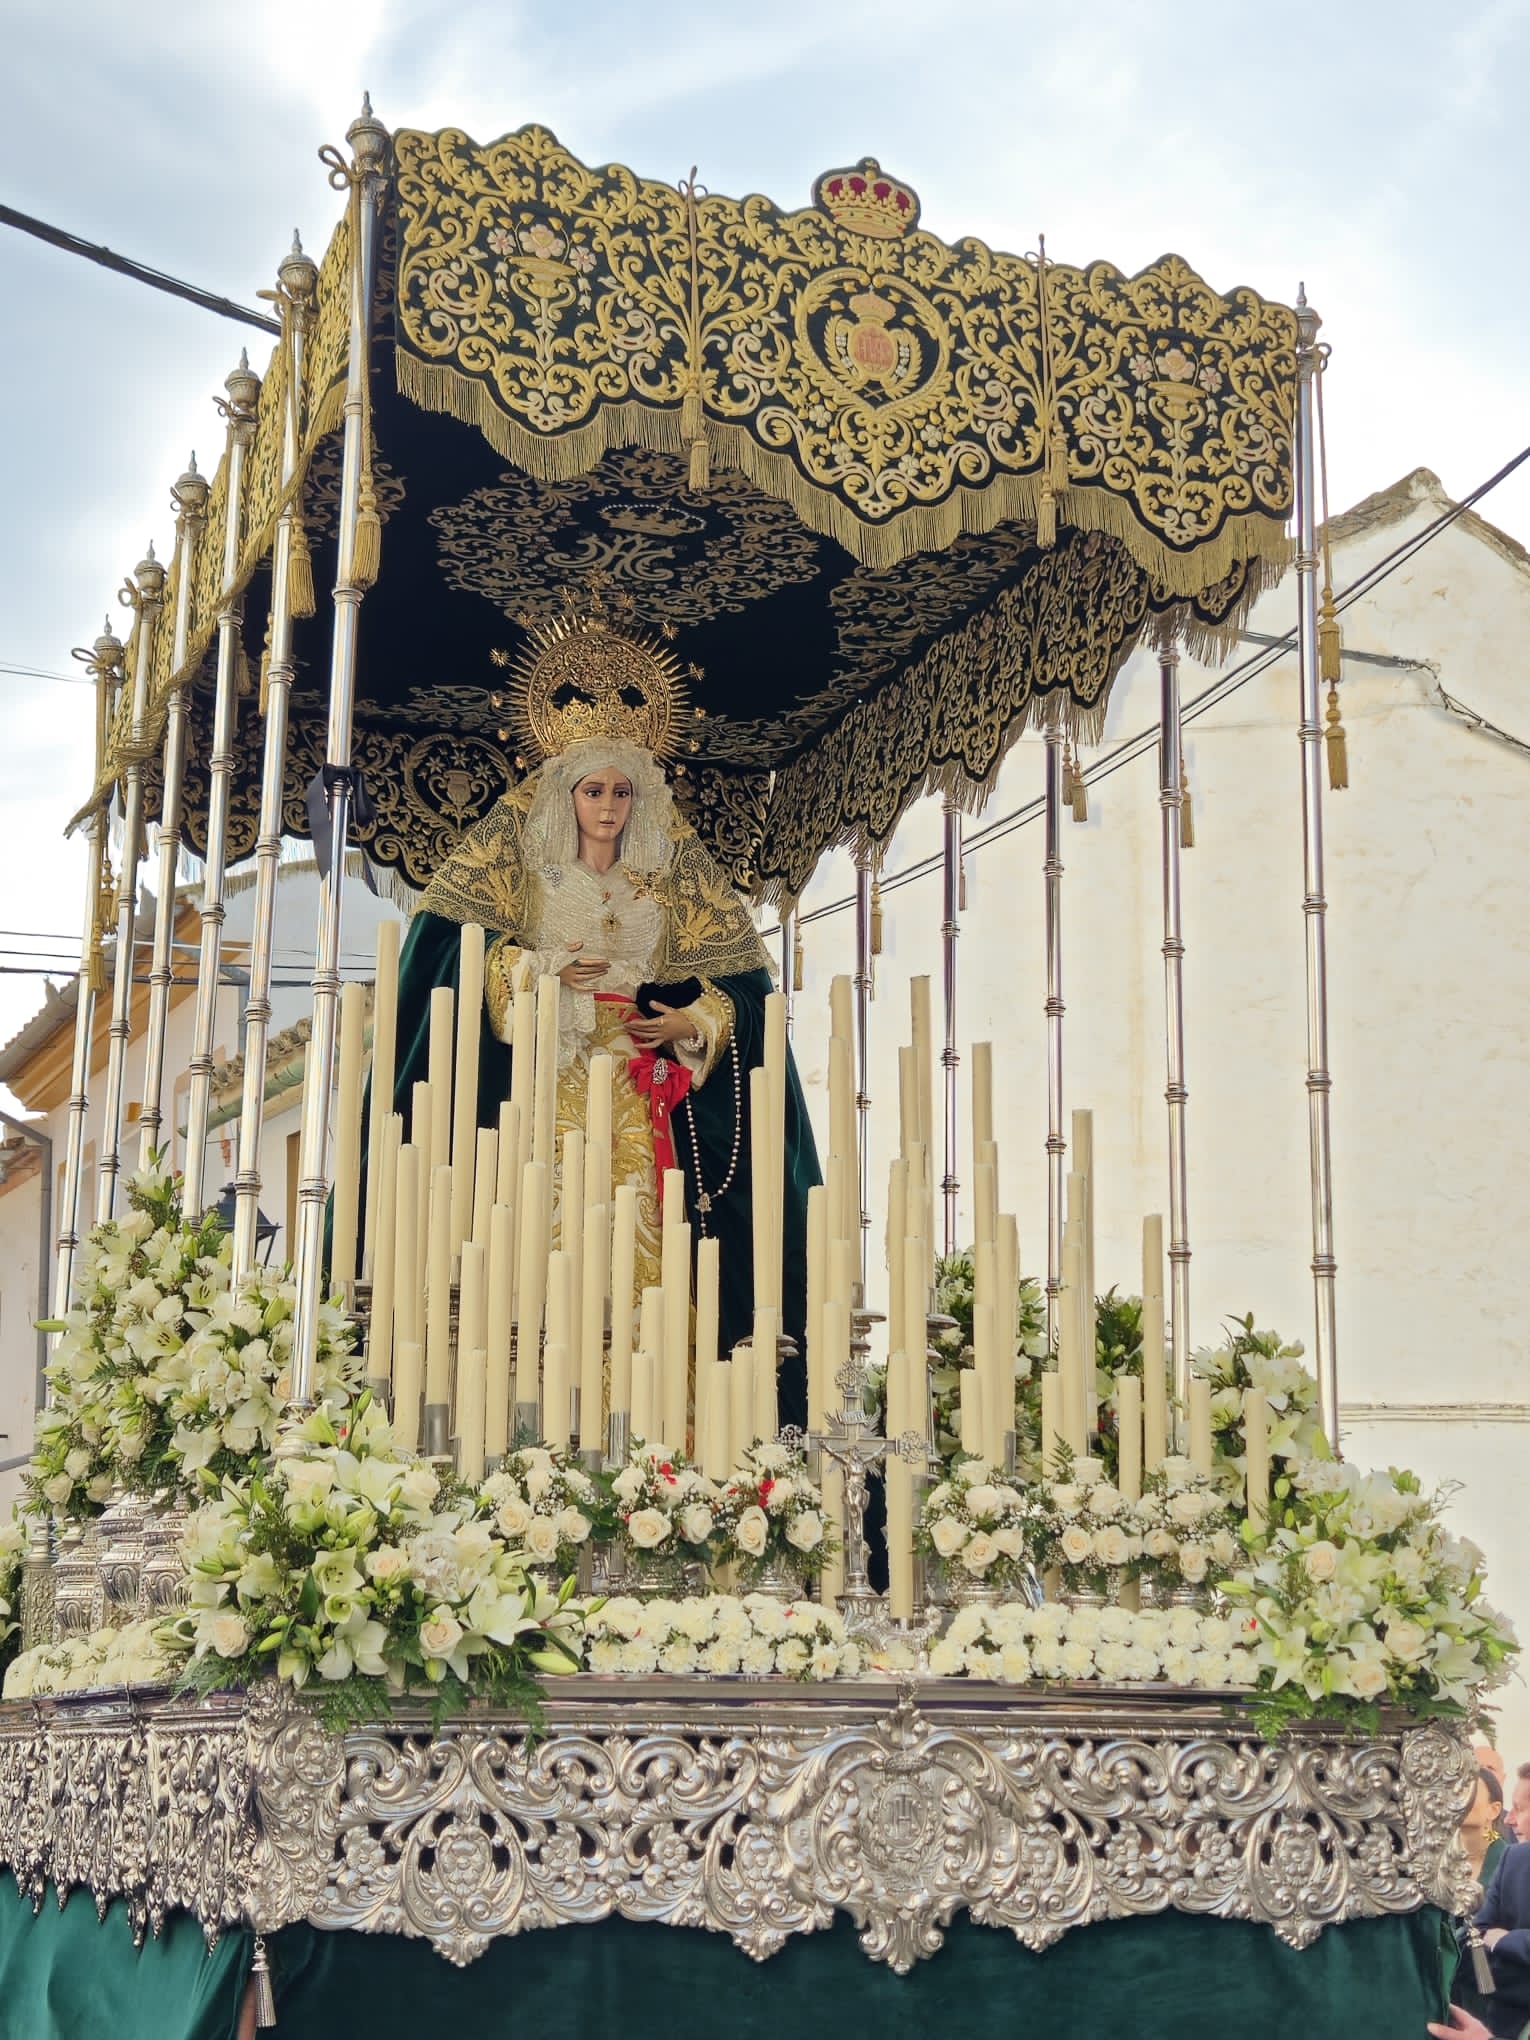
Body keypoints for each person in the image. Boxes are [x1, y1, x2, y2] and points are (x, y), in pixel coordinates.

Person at [389, 724, 820, 1424]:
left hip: (641, 1094)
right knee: (551, 1231)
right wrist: (541, 971)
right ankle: (541, 1415)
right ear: (568, 797)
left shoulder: (669, 884)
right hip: (552, 1088)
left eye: (622, 792)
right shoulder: (530, 878)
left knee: (650, 1235)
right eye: (594, 791)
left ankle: (658, 1420)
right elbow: (462, 964)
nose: (609, 806)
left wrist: (691, 1023)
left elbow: (743, 995)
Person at [1464, 1767, 1514, 1892]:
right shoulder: (1433, 1857)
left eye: (1470, 1792)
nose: (1459, 1800)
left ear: (1493, 1810)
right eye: (1456, 1792)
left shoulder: (1510, 1862)